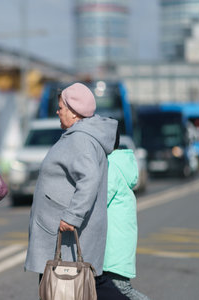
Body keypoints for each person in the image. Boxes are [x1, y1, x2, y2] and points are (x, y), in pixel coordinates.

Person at [24, 82, 129, 299]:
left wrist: (72, 217)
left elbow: (89, 179)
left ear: (73, 112)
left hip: (67, 232)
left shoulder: (80, 139)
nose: (57, 111)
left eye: (61, 107)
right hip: (62, 231)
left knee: (72, 285)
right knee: (71, 286)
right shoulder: (80, 135)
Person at [103, 131, 150, 300]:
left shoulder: (110, 167)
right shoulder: (118, 164)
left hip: (113, 249)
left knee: (121, 290)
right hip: (118, 246)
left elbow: (97, 201)